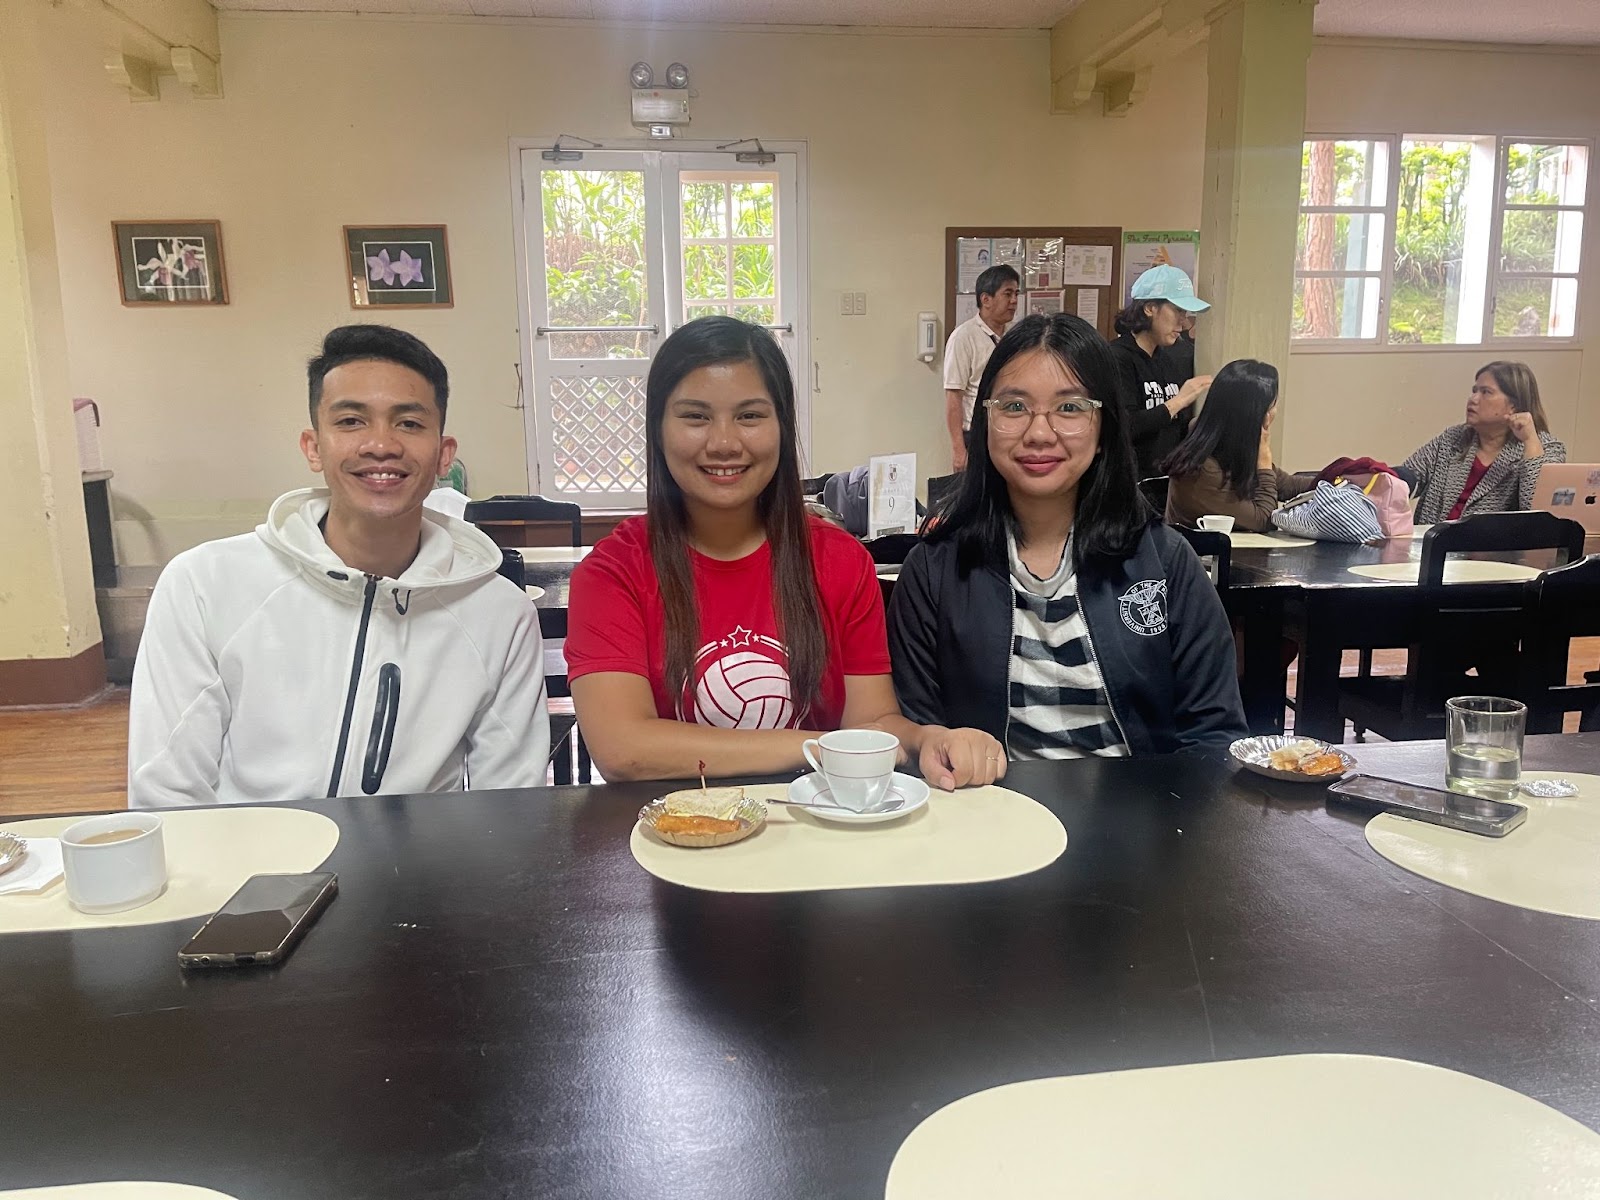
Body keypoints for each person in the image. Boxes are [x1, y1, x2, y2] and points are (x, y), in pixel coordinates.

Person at [566, 316, 1003, 788]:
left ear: (783, 426)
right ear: (658, 428)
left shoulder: (841, 562)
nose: (724, 443)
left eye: (750, 416)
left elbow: (872, 723)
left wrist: (925, 738)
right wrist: (819, 747)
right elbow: (624, 750)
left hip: (812, 821)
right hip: (672, 827)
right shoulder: (613, 572)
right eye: (695, 416)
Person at [129, 325, 550, 807]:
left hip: (422, 856)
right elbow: (167, 793)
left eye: (409, 424)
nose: (381, 445)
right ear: (314, 447)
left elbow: (512, 802)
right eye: (351, 421)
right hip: (253, 854)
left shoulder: (498, 612)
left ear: (443, 455)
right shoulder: (204, 584)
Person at [889, 313, 1248, 760]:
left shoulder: (1165, 561)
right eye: (1014, 407)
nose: (1040, 433)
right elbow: (920, 736)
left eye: (1070, 408)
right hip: (987, 802)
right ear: (985, 422)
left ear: (1104, 427)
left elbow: (1214, 735)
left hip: (1148, 802)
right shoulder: (934, 570)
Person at [1400, 361, 1567, 524]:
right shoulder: (1454, 437)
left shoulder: (1546, 448)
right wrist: (1391, 477)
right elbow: (1410, 474)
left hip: (1494, 543)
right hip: (1433, 539)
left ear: (1514, 406)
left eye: (1486, 392)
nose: (1473, 399)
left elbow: (1539, 514)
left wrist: (1530, 441)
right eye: (1474, 391)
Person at [1162, 359, 1316, 532]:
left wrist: (1335, 479)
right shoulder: (1202, 468)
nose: (1274, 413)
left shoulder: (1230, 444)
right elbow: (1265, 519)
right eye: (1272, 406)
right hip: (1199, 549)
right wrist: (1264, 461)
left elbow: (1287, 485)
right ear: (1254, 416)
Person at [1111, 265, 1213, 478]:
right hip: (1131, 482)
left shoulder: (1168, 359)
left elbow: (1175, 427)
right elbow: (1125, 426)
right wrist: (1179, 401)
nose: (1183, 322)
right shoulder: (1118, 357)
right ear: (1150, 308)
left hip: (1167, 480)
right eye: (1177, 310)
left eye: (1185, 313)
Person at [944, 264, 1021, 472]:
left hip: (1010, 430)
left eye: (1016, 293)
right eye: (1007, 294)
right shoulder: (964, 337)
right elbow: (954, 396)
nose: (1014, 300)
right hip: (977, 434)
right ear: (986, 299)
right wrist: (958, 450)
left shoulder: (1015, 336)